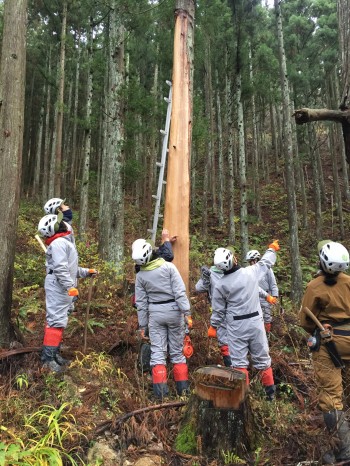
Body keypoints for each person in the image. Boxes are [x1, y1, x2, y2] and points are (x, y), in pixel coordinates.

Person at [208, 241, 280, 401]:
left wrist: (213, 326)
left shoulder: (220, 285)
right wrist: (271, 249)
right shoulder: (250, 272)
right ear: (234, 259)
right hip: (255, 323)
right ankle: (270, 396)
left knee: (239, 362)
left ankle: (245, 399)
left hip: (236, 327)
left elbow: (219, 311)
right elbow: (266, 262)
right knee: (263, 359)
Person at [300, 241, 350, 464]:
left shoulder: (315, 286)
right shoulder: (349, 283)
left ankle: (344, 451)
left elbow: (305, 321)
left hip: (331, 344)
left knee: (331, 397)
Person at [37, 212, 98, 372]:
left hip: (61, 286)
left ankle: (54, 354)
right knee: (55, 321)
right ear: (54, 228)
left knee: (59, 321)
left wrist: (85, 272)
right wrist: (69, 286)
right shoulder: (58, 244)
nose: (63, 223)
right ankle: (47, 360)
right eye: (59, 222)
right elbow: (60, 269)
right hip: (58, 286)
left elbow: (69, 268)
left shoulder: (63, 242)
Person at [132, 238, 192, 399]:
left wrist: (142, 325)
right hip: (174, 311)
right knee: (178, 354)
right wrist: (187, 313)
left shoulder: (141, 276)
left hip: (155, 314)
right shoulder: (169, 267)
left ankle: (161, 396)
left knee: (157, 354)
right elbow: (180, 292)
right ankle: (183, 392)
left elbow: (141, 303)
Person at [246, 249, 279, 333]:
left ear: (257, 260)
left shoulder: (267, 270)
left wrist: (274, 296)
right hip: (254, 297)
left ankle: (268, 334)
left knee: (267, 317)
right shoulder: (249, 271)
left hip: (266, 297)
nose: (251, 263)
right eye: (250, 261)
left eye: (253, 261)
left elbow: (273, 284)